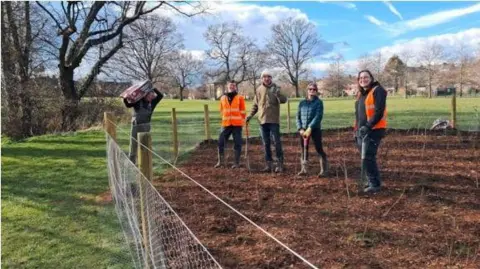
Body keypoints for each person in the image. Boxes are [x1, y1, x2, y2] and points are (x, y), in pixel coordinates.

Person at [246, 70, 288, 173]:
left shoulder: (276, 88)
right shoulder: (259, 89)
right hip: (262, 121)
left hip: (273, 120)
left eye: (268, 76)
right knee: (266, 144)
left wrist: (277, 93)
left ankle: (280, 164)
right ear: (262, 78)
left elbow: (284, 100)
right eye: (264, 76)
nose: (266, 78)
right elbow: (255, 105)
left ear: (271, 78)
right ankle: (269, 164)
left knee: (276, 143)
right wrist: (249, 116)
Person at [354, 70, 387, 193]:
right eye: (361, 78)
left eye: (366, 77)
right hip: (361, 131)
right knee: (365, 157)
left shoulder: (378, 91)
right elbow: (358, 115)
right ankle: (370, 180)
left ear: (371, 78)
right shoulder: (362, 94)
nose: (363, 79)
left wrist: (368, 126)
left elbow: (379, 111)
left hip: (373, 129)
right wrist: (356, 130)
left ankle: (375, 184)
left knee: (368, 156)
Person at [123, 87, 163, 164]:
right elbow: (128, 105)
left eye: (152, 95)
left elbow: (160, 96)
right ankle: (132, 163)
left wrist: (153, 88)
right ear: (145, 95)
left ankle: (145, 163)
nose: (151, 97)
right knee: (133, 145)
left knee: (144, 146)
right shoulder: (138, 101)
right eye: (149, 95)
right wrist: (124, 99)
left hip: (146, 126)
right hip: (136, 126)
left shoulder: (153, 103)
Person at [296, 82, 328, 177]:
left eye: (314, 89)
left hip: (315, 129)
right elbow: (297, 117)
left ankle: (324, 170)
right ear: (307, 91)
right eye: (310, 89)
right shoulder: (302, 103)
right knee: (304, 149)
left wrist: (310, 127)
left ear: (316, 91)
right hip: (303, 130)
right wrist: (300, 128)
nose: (312, 91)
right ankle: (304, 169)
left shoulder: (319, 102)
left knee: (319, 148)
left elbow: (318, 116)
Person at [215, 80, 246, 168]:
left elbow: (243, 111)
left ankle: (236, 163)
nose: (232, 87)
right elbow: (221, 110)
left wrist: (242, 122)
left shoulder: (240, 97)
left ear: (235, 87)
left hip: (237, 124)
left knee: (237, 143)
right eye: (230, 85)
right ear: (227, 86)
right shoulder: (222, 98)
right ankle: (220, 161)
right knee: (221, 142)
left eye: (233, 85)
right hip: (226, 124)